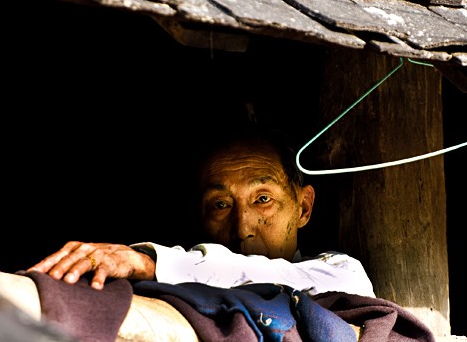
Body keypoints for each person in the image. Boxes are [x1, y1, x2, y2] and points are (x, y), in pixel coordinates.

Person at [28, 125, 374, 297]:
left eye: (262, 199)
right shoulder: (174, 289)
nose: (243, 228)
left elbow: (266, 277)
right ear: (197, 216)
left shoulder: (339, 275)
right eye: (221, 205)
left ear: (303, 207)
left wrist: (150, 263)